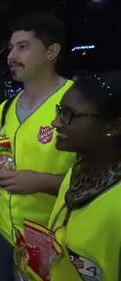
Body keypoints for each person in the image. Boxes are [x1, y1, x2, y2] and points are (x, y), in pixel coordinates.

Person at [0, 13, 77, 279]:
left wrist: (41, 182)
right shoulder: (6, 108)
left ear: (51, 52)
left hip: (52, 239)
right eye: (11, 48)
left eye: (23, 47)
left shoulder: (76, 104)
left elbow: (100, 183)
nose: (11, 56)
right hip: (5, 231)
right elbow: (5, 154)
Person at [47, 74, 120, 281]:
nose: (55, 122)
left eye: (68, 115)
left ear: (113, 127)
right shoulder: (76, 171)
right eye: (59, 112)